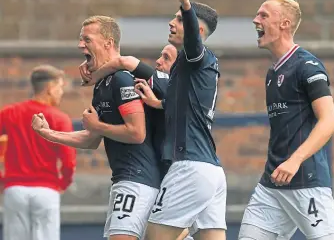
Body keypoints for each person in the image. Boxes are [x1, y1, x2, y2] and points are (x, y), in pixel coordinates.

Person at [32, 16, 161, 240]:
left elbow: (136, 132)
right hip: (127, 180)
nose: (80, 45)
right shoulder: (102, 84)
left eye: (86, 39)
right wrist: (48, 133)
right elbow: (91, 139)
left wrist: (98, 125)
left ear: (108, 43)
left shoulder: (122, 79)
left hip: (136, 179)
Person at [238, 0, 334, 240]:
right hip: (271, 186)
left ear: (284, 23)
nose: (255, 20)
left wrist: (294, 161)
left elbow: (329, 122)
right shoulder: (272, 74)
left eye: (263, 15)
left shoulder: (308, 65)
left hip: (307, 181)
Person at [137, 0, 226, 240]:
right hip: (212, 171)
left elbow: (193, 44)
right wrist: (159, 102)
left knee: (154, 236)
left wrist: (186, 4)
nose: (172, 22)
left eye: (179, 18)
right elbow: (188, 106)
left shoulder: (196, 55)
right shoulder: (189, 70)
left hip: (190, 167)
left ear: (197, 31)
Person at [80, 44, 193, 240]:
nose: (158, 61)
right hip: (163, 180)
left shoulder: (170, 84)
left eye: (166, 58)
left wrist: (95, 73)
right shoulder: (164, 94)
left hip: (170, 178)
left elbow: (124, 62)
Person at [0, 65, 76, 240]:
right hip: (46, 190)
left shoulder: (9, 113)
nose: (61, 92)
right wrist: (62, 183)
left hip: (15, 189)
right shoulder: (60, 119)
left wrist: (2, 180)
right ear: (50, 88)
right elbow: (69, 160)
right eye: (60, 87)